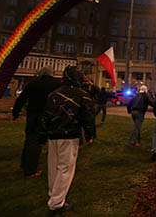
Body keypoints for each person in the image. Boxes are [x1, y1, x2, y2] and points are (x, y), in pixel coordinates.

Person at [39, 66, 96, 215]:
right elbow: (88, 117)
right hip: (69, 136)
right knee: (65, 169)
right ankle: (56, 203)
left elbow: (45, 116)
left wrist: (43, 136)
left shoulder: (54, 94)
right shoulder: (81, 95)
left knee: (53, 167)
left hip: (53, 136)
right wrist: (90, 135)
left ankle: (54, 195)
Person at [11, 67, 61, 178]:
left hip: (32, 115)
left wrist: (15, 113)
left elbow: (21, 100)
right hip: (46, 116)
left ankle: (24, 164)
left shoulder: (32, 84)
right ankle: (30, 170)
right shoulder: (56, 85)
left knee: (30, 139)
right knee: (37, 142)